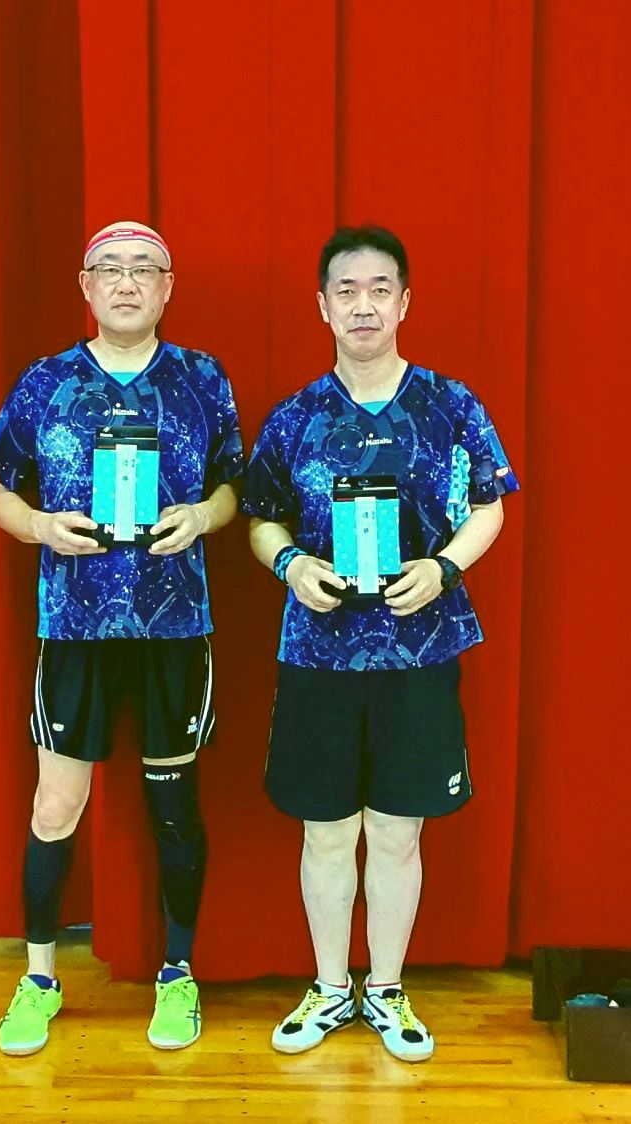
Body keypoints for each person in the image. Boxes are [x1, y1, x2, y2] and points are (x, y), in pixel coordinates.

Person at [242, 225, 518, 1063]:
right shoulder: (293, 418)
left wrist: (442, 568)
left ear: (404, 302)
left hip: (420, 651)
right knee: (326, 833)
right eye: (346, 291)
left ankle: (387, 988)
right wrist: (290, 565)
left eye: (379, 289)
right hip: (318, 655)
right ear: (321, 307)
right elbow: (260, 520)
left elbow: (489, 507)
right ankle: (330, 988)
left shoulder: (451, 405)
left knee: (398, 833)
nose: (363, 306)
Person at [0, 221, 244, 1055]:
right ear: (85, 286)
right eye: (110, 269)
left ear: (167, 287)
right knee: (55, 805)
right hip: (74, 625)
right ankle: (38, 980)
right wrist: (40, 527)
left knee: (172, 805)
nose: (126, 282)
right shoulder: (45, 382)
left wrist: (202, 517)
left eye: (143, 269)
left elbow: (233, 487)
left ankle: (177, 975)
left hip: (174, 625)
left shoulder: (202, 378)